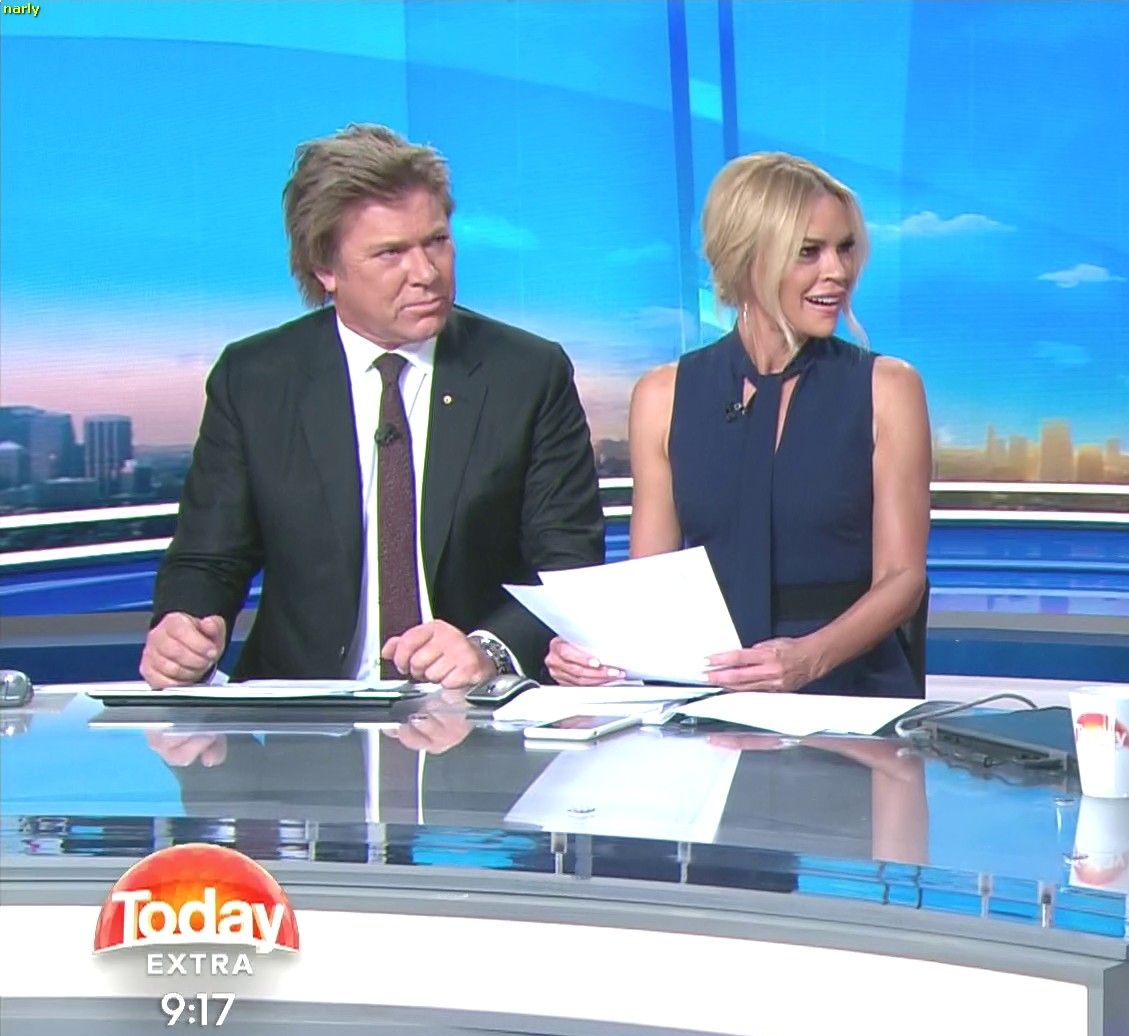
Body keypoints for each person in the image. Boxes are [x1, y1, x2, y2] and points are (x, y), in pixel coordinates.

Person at [141, 124, 604, 690]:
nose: (426, 273)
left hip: (473, 706)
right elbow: (208, 558)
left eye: (437, 241)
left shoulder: (527, 374)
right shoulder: (256, 378)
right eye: (391, 253)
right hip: (306, 711)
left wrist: (488, 650)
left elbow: (568, 564)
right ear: (326, 270)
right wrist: (182, 627)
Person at [547, 152, 931, 697]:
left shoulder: (888, 388)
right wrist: (589, 652)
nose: (838, 272)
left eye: (845, 248)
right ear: (748, 258)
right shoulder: (662, 396)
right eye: (809, 252)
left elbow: (902, 578)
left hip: (845, 689)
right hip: (706, 688)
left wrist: (808, 659)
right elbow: (649, 583)